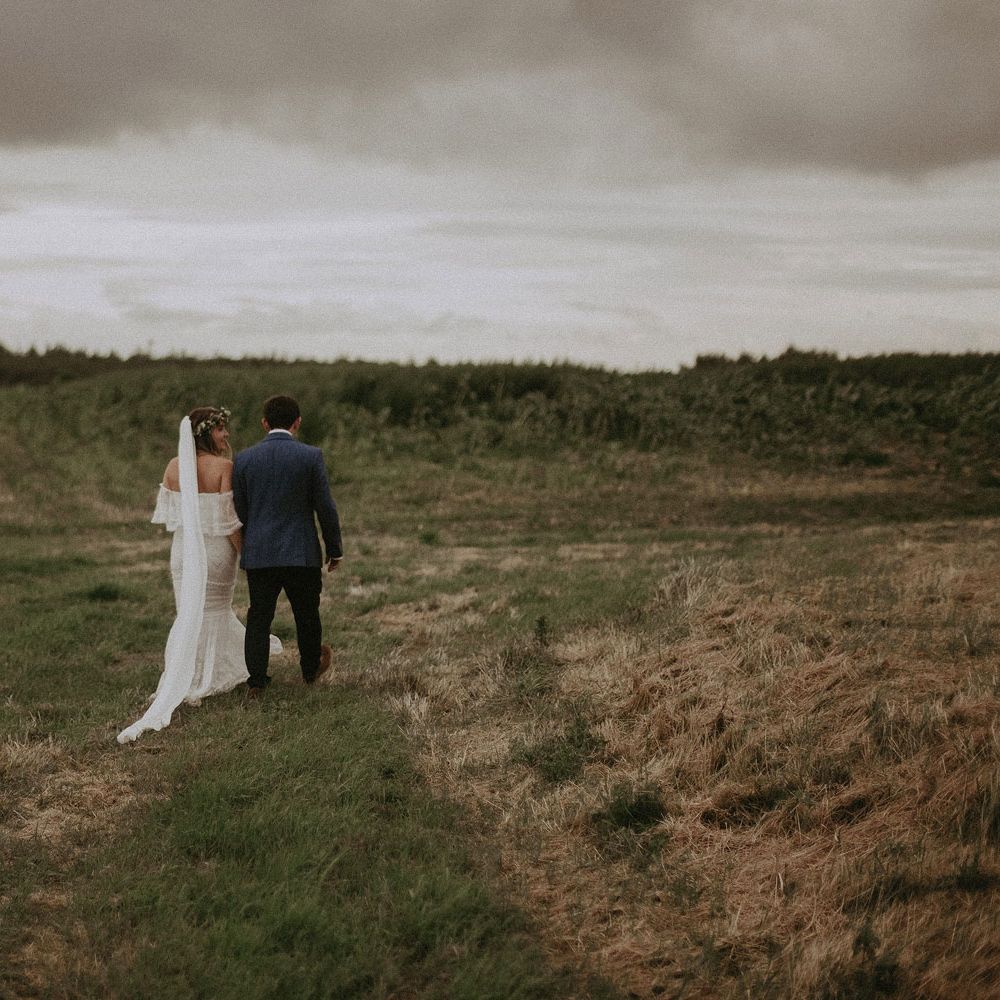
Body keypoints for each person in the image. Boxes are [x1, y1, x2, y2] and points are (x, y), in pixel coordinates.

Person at [117, 407, 281, 744]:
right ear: (206, 433)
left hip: (183, 552)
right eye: (222, 430)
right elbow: (230, 521)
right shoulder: (223, 467)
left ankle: (186, 675)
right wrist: (247, 555)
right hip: (217, 552)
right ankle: (204, 677)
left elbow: (171, 517)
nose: (227, 436)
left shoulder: (173, 467)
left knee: (189, 611)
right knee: (215, 611)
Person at [233, 394, 343, 695]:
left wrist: (253, 539)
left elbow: (240, 510)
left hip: (260, 553)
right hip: (301, 552)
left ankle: (256, 681)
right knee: (307, 614)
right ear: (298, 422)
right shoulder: (310, 456)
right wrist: (334, 549)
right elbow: (325, 508)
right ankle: (309, 671)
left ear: (264, 423)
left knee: (259, 616)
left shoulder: (243, 459)